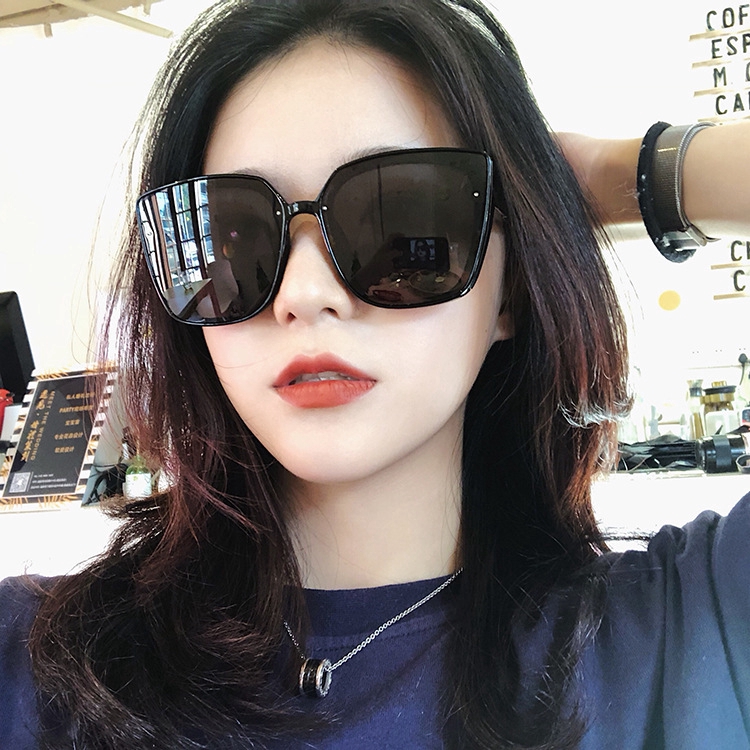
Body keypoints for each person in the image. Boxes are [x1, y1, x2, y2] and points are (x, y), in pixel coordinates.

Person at [1, 1, 749, 748]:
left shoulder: (683, 631)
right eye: (234, 237)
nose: (304, 294)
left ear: (511, 291)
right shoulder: (35, 663)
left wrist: (621, 175)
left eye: (404, 226)